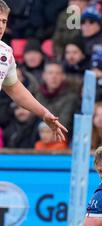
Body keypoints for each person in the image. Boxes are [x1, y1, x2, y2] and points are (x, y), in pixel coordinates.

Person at [0, 1, 67, 142]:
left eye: (4, 21)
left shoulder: (5, 53)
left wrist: (44, 113)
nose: (1, 25)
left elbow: (14, 89)